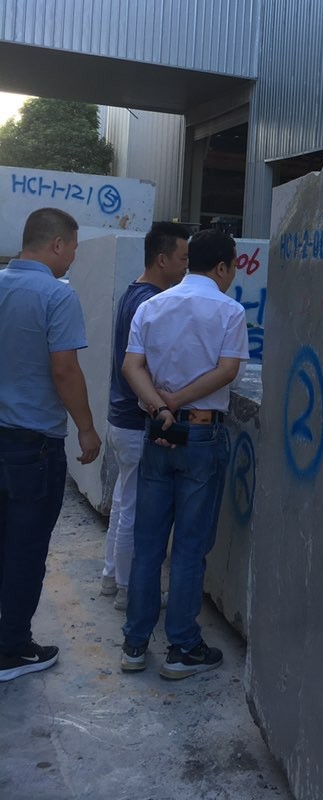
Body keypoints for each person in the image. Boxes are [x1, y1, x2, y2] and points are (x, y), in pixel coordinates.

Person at [120, 229, 249, 680]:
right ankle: (182, 647)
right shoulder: (229, 311)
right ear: (223, 267)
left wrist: (160, 407)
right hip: (200, 435)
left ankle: (135, 644)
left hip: (158, 431)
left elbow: (131, 366)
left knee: (148, 544)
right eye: (233, 267)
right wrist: (176, 402)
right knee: (190, 548)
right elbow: (227, 371)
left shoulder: (152, 306)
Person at [0, 207, 101, 682]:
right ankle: (12, 649)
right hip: (33, 444)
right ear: (57, 244)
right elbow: (64, 370)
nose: (73, 258)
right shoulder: (57, 295)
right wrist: (86, 427)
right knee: (24, 548)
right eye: (73, 248)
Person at [100, 222, 190, 611]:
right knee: (135, 510)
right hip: (136, 421)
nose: (187, 267)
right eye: (183, 258)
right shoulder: (151, 303)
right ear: (162, 259)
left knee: (124, 501)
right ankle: (127, 589)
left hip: (121, 418)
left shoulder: (133, 293)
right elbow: (144, 367)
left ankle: (112, 578)